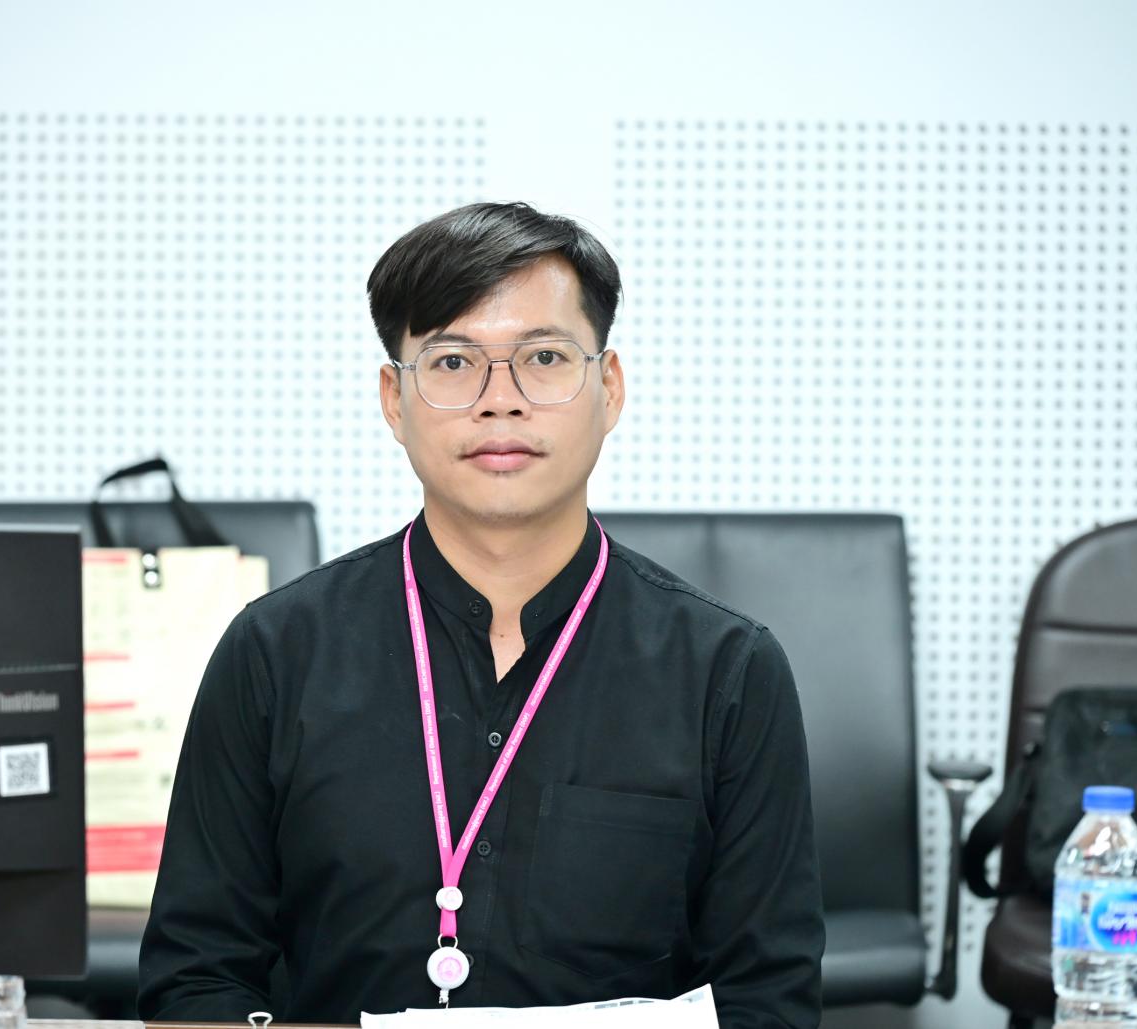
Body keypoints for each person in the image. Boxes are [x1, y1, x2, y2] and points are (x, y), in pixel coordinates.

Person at [137, 202, 824, 1028]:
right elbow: (196, 975)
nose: (501, 401)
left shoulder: (728, 673)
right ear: (394, 399)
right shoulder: (275, 653)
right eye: (454, 361)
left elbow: (768, 999)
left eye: (544, 357)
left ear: (609, 388)